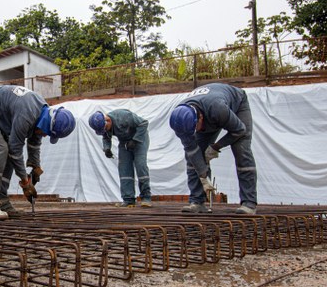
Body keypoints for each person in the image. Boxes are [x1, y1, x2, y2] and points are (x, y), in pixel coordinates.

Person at [0, 85, 76, 220]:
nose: (45, 136)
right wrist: (25, 181)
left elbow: (34, 143)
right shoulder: (27, 115)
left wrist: (35, 166)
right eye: (47, 133)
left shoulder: (43, 114)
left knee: (8, 152)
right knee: (1, 150)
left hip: (3, 117)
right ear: (47, 125)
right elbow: (15, 151)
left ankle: (2, 201)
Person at [168, 83, 257, 215]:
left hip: (237, 105)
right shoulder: (180, 120)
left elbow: (240, 130)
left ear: (200, 118)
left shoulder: (217, 108)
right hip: (209, 110)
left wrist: (216, 147)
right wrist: (203, 177)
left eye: (195, 129)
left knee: (241, 151)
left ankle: (248, 203)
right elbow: (192, 151)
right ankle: (197, 201)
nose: (193, 133)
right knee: (192, 158)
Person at [88, 109, 152, 208]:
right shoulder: (104, 126)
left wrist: (135, 140)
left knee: (140, 165)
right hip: (124, 143)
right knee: (124, 169)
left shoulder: (124, 116)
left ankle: (146, 197)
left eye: (105, 128)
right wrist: (107, 149)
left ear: (108, 120)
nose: (105, 130)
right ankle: (128, 199)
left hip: (139, 140)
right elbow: (106, 137)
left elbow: (144, 123)